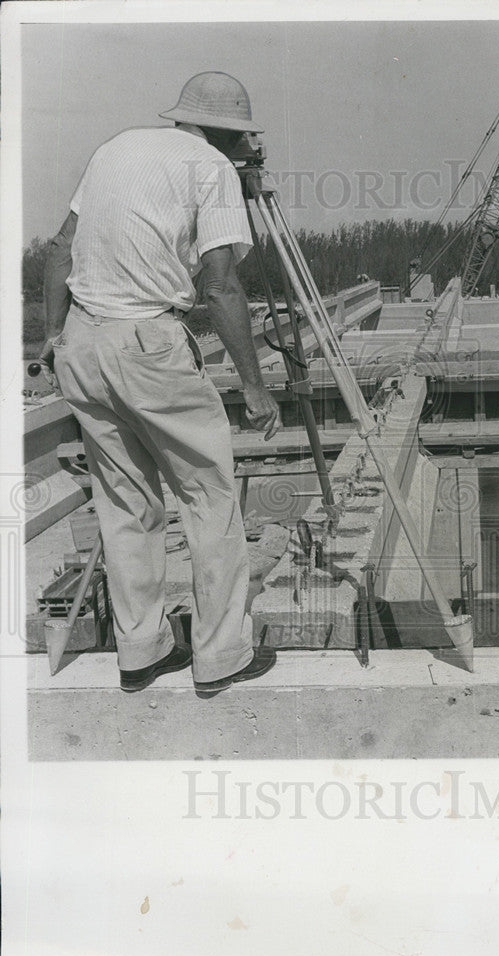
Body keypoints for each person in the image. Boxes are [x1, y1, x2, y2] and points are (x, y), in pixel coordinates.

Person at [40, 72, 281, 698]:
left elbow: (60, 252)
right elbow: (221, 284)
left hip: (82, 344)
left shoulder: (116, 148)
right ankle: (222, 654)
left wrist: (52, 332)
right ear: (230, 132)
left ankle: (141, 650)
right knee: (209, 495)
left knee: (123, 502)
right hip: (148, 342)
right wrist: (252, 386)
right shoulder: (213, 169)